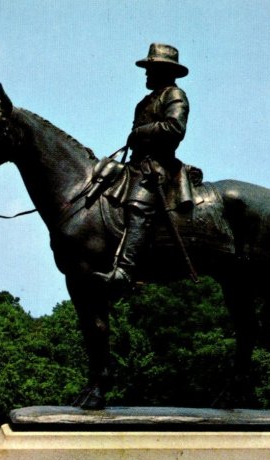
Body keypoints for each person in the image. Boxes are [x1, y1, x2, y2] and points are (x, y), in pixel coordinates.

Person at [95, 43, 191, 291]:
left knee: (138, 205)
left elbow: (175, 128)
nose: (147, 74)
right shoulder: (145, 102)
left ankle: (125, 271)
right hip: (137, 165)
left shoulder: (174, 96)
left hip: (159, 167)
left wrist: (141, 132)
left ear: (165, 71)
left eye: (151, 69)